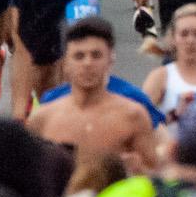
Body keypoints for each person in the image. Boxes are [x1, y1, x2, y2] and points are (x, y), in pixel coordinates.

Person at [25, 17, 160, 174]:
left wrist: (137, 169)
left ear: (110, 59)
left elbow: (155, 174)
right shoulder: (43, 118)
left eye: (96, 55)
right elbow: (29, 176)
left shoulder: (133, 115)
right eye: (79, 56)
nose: (87, 63)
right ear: (65, 64)